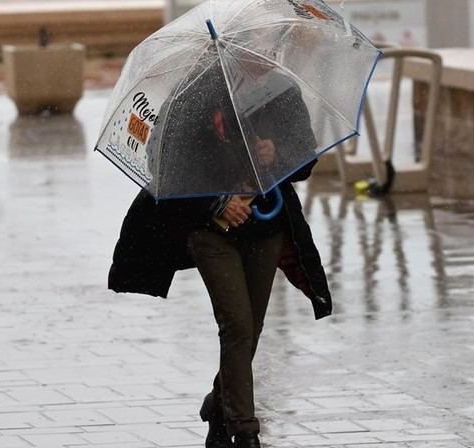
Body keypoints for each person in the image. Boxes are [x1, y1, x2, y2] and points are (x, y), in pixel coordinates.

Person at [107, 47, 332, 448]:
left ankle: (218, 403)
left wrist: (276, 152)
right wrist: (217, 203)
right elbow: (165, 161)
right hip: (208, 229)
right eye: (258, 44)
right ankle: (244, 430)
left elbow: (305, 155)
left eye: (271, 44)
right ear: (235, 49)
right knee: (237, 324)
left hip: (265, 225)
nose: (267, 52)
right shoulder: (197, 90)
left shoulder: (282, 90)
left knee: (252, 327)